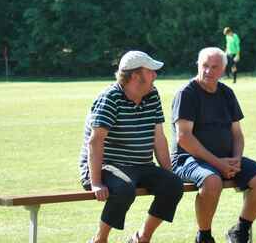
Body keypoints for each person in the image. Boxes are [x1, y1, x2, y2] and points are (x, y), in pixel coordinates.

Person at [171, 47, 256, 243]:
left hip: (225, 158)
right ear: (198, 66)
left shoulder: (227, 93)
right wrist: (219, 164)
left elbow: (237, 134)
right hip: (188, 159)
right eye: (205, 66)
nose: (209, 71)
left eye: (214, 67)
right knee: (212, 181)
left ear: (223, 69)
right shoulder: (187, 93)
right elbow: (184, 138)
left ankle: (240, 230)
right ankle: (204, 236)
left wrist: (235, 159)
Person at [79, 51, 184, 243]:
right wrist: (95, 182)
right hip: (107, 166)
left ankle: (142, 238)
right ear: (135, 75)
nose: (155, 75)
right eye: (151, 71)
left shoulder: (151, 94)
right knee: (124, 189)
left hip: (141, 166)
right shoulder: (111, 97)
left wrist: (169, 174)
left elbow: (158, 137)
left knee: (174, 185)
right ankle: (99, 240)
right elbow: (95, 141)